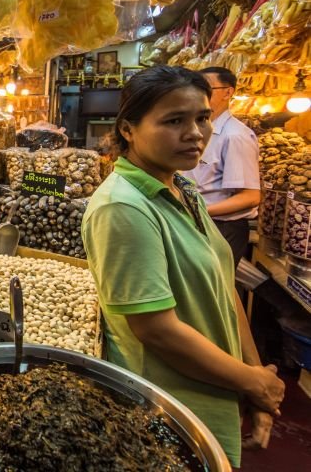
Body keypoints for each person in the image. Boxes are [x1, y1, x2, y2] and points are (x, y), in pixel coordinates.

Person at [82, 66, 284, 468]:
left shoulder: (183, 188)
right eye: (173, 121)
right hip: (164, 408)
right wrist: (252, 383)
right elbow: (157, 329)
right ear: (128, 129)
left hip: (212, 386)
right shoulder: (123, 206)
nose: (194, 133)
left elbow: (223, 289)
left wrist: (254, 374)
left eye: (202, 118)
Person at [181, 66, 260, 266]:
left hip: (222, 227)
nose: (199, 96)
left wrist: (200, 211)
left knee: (217, 287)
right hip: (194, 221)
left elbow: (250, 196)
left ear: (228, 92)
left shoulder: (235, 136)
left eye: (207, 89)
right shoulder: (198, 130)